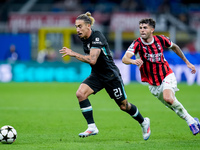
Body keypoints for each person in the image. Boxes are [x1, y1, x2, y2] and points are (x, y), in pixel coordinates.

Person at [59, 12, 151, 140]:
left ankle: (143, 122)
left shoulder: (97, 37)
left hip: (111, 76)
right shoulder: (84, 39)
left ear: (88, 26)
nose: (77, 30)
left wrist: (73, 54)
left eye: (80, 26)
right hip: (97, 75)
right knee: (80, 93)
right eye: (76, 27)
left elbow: (92, 60)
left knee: (124, 106)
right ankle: (92, 127)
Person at [122, 18, 200, 136]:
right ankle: (194, 121)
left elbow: (175, 47)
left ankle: (190, 123)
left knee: (168, 98)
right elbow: (124, 59)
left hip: (167, 75)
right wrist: (133, 61)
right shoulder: (137, 43)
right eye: (140, 28)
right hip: (153, 84)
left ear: (152, 29)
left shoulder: (161, 39)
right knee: (173, 105)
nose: (142, 30)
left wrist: (187, 62)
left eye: (145, 28)